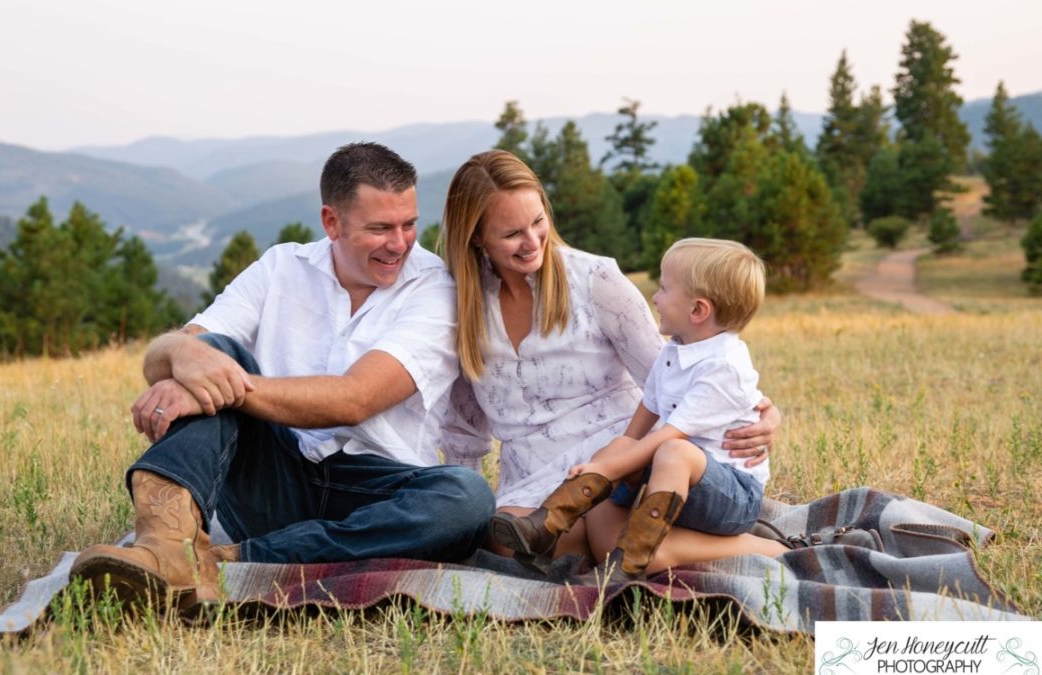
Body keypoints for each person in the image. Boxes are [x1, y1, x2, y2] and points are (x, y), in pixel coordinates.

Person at [70, 142, 496, 608]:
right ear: (331, 222)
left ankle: (231, 559)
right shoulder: (280, 267)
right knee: (210, 351)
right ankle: (164, 547)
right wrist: (181, 354)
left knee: (468, 498)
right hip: (271, 479)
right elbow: (177, 352)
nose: (399, 243)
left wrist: (218, 386)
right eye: (379, 228)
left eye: (409, 224)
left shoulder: (436, 288)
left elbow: (355, 399)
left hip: (378, 494)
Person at [438, 149, 780, 573]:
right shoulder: (458, 306)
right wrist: (460, 507)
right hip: (533, 473)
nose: (532, 242)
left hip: (622, 459)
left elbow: (676, 375)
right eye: (511, 233)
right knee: (500, 539)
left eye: (538, 221)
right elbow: (463, 427)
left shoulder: (595, 280)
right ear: (476, 237)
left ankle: (707, 544)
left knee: (593, 532)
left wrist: (765, 412)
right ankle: (637, 542)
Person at [494, 238, 788, 581]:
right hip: (680, 486)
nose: (655, 297)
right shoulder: (675, 351)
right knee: (620, 447)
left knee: (674, 451)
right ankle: (547, 525)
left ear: (698, 311)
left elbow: (670, 434)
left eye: (663, 288)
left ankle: (636, 559)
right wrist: (612, 455)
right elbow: (644, 414)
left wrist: (607, 470)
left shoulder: (724, 367)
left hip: (732, 497)